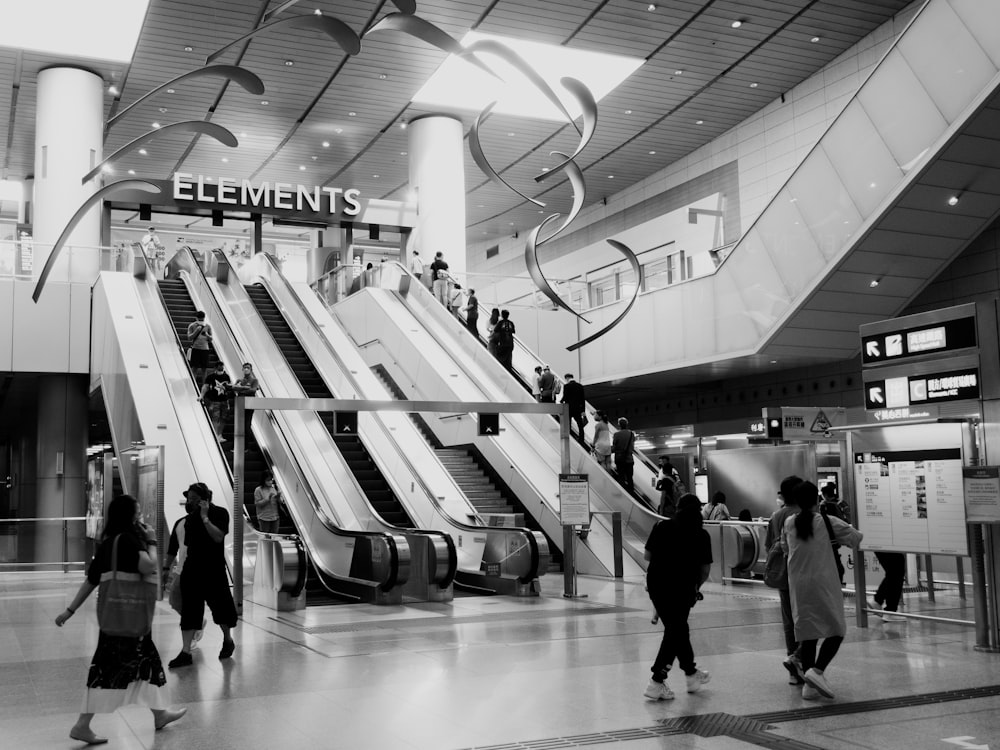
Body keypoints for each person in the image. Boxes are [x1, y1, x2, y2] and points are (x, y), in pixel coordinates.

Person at [55, 494, 186, 744]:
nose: (140, 516)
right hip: (129, 620)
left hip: (116, 619)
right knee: (107, 671)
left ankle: (159, 714)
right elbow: (148, 566)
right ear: (128, 516)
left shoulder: (107, 543)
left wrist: (69, 611)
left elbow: (92, 580)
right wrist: (151, 542)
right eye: (137, 512)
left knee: (147, 664)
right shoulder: (128, 540)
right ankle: (82, 724)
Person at [782, 480, 863, 700]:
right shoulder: (828, 522)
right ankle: (817, 671)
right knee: (836, 630)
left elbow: (785, 547)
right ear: (817, 499)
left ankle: (809, 687)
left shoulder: (789, 522)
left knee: (808, 634)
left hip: (798, 585)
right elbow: (856, 538)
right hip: (824, 583)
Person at [643, 493, 712, 700]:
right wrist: (695, 587)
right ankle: (656, 681)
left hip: (657, 585)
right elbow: (705, 570)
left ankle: (691, 674)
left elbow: (647, 556)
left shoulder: (661, 527)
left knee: (678, 628)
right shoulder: (701, 535)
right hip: (682, 589)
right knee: (675, 630)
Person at [167, 483, 238, 668]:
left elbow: (218, 537)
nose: (189, 502)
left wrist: (205, 518)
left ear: (204, 499)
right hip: (192, 570)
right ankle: (185, 651)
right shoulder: (189, 519)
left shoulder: (220, 513)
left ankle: (228, 640)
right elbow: (187, 546)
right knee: (190, 611)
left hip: (213, 571)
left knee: (222, 609)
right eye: (188, 499)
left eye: (193, 499)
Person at [767, 475, 804, 685]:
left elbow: (769, 545)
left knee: (789, 622)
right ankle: (801, 661)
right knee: (809, 619)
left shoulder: (776, 516)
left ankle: (793, 670)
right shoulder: (806, 514)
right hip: (804, 574)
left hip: (783, 575)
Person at [870, 552, 906, 622]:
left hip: (879, 543)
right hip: (887, 543)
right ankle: (890, 611)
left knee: (893, 571)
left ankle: (878, 601)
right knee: (896, 570)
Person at [200, 360, 231, 442]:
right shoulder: (211, 377)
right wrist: (201, 396)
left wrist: (227, 401)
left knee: (223, 418)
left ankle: (219, 435)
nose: (221, 368)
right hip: (214, 400)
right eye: (219, 366)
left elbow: (228, 387)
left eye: (222, 366)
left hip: (224, 400)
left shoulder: (226, 376)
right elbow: (206, 386)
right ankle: (215, 434)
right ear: (215, 367)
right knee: (215, 417)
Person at [186, 311, 213, 387]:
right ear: (196, 318)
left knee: (204, 368)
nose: (201, 320)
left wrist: (207, 335)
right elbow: (189, 338)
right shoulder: (192, 326)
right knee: (194, 367)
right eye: (200, 318)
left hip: (205, 349)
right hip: (196, 348)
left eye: (202, 319)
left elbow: (211, 339)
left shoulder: (207, 326)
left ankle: (204, 386)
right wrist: (196, 331)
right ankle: (193, 385)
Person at [560, 373, 587, 447]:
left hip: (569, 408)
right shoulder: (580, 386)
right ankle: (581, 440)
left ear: (567, 378)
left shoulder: (566, 386)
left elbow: (565, 397)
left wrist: (561, 401)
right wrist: (583, 410)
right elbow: (582, 399)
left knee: (568, 424)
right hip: (578, 409)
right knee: (580, 426)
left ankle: (568, 439)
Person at [612, 418, 636, 492]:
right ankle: (631, 492)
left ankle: (623, 493)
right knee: (629, 477)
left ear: (619, 425)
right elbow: (632, 444)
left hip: (620, 459)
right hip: (629, 459)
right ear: (627, 424)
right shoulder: (632, 434)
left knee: (621, 477)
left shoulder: (616, 434)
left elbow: (614, 446)